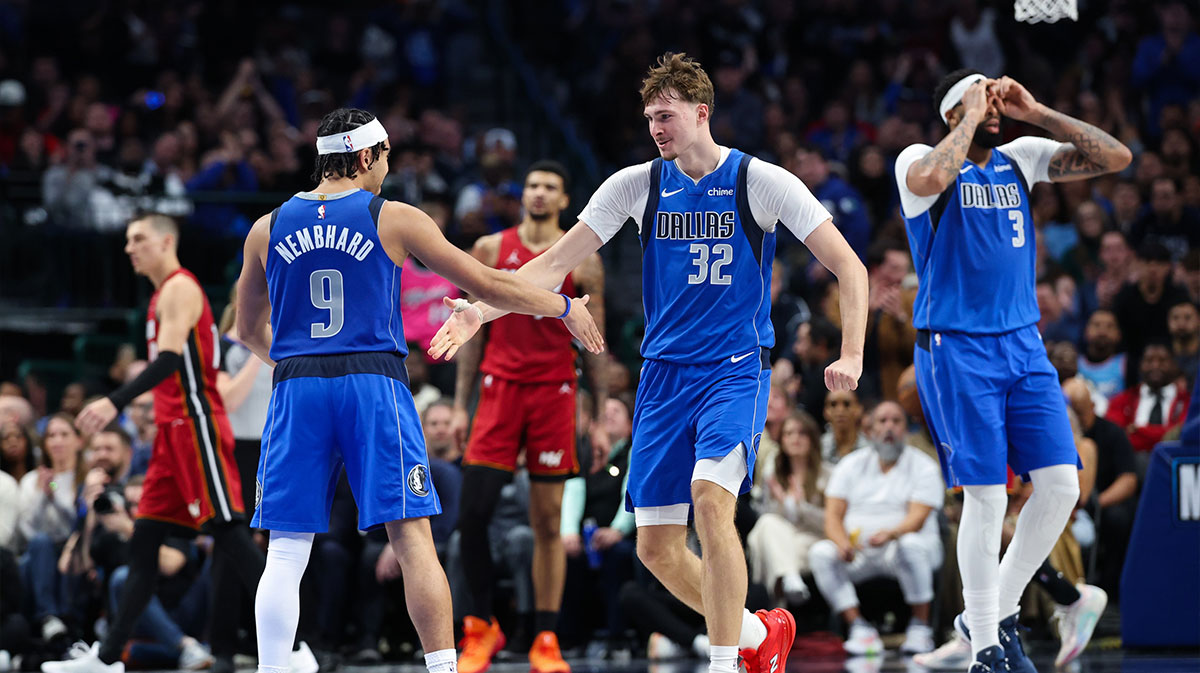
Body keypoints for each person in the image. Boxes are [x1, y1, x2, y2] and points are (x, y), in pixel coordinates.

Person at [430, 53, 868, 673]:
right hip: (662, 377)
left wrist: (851, 351)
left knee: (711, 498)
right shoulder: (635, 184)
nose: (656, 127)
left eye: (666, 116)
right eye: (649, 118)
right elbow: (551, 266)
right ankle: (751, 633)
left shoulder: (760, 181)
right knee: (657, 549)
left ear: (701, 113)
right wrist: (480, 311)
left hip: (733, 368)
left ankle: (723, 663)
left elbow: (850, 265)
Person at [232, 108, 603, 673]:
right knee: (412, 540)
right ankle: (442, 669)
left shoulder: (267, 225)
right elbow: (488, 283)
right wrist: (564, 306)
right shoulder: (394, 217)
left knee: (286, 550)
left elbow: (244, 327)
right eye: (383, 157)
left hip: (296, 384)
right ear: (365, 157)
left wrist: (293, 363)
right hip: (373, 382)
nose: (386, 168)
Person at [894, 67, 1131, 673]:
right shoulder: (919, 160)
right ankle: (985, 647)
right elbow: (929, 176)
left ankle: (996, 613)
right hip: (956, 347)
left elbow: (1116, 157)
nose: (994, 106)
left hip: (1023, 345)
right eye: (981, 98)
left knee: (1060, 485)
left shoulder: (1019, 157)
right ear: (953, 111)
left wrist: (1039, 111)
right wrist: (971, 112)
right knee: (986, 495)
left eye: (996, 97)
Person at [42, 215, 314, 673]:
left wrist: (115, 401)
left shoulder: (180, 288)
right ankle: (107, 659)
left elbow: (170, 360)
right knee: (144, 542)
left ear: (167, 241)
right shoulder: (161, 294)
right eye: (127, 240)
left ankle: (294, 649)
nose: (130, 247)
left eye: (139, 239)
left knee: (230, 533)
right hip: (170, 434)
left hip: (194, 425)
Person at [451, 160, 606, 673]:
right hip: (498, 389)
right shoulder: (492, 250)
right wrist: (458, 405)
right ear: (524, 194)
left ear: (564, 201)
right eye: (533, 185)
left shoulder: (584, 256)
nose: (539, 193)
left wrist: (600, 411)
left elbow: (595, 340)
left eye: (550, 188)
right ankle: (480, 627)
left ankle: (545, 637)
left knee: (546, 522)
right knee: (472, 516)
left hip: (555, 392)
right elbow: (471, 333)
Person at [808, 401, 944, 656]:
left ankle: (921, 627)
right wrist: (842, 543)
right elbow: (833, 517)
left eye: (896, 421)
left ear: (906, 428)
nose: (889, 427)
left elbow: (917, 519)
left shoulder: (924, 466)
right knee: (821, 553)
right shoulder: (850, 465)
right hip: (861, 551)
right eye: (882, 421)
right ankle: (859, 627)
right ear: (869, 430)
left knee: (910, 545)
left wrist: (891, 534)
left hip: (904, 547)